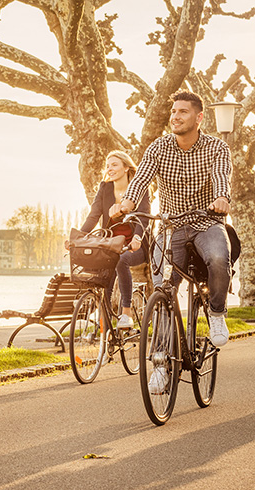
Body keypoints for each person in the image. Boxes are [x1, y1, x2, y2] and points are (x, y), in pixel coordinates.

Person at [110, 90, 232, 352]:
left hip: (206, 222)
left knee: (220, 259)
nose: (175, 117)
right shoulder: (158, 147)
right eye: (173, 111)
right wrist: (127, 204)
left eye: (183, 112)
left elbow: (222, 176)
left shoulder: (217, 147)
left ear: (199, 118)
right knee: (162, 291)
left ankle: (217, 313)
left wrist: (222, 197)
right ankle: (161, 361)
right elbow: (141, 178)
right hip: (170, 227)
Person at [80, 150, 151, 328]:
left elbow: (144, 217)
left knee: (121, 260)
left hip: (135, 245)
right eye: (108, 166)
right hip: (111, 243)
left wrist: (136, 238)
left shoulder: (140, 188)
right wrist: (78, 237)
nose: (109, 169)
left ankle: (126, 313)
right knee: (104, 270)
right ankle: (104, 320)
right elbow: (94, 216)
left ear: (126, 167)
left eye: (114, 164)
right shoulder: (104, 188)